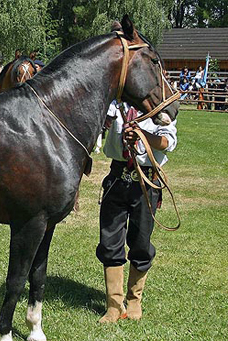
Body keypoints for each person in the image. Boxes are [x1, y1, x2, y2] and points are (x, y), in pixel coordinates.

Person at [97, 100, 177, 323]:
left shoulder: (161, 107)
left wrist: (142, 136)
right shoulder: (115, 102)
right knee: (110, 240)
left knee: (141, 241)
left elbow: (168, 142)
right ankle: (114, 305)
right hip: (117, 178)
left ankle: (134, 300)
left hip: (145, 181)